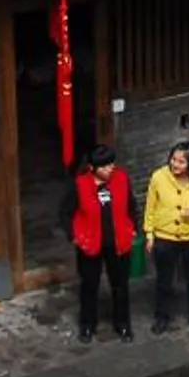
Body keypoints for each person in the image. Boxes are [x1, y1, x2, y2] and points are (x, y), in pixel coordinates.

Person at [143, 139, 189, 335]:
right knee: (164, 281)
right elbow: (150, 207)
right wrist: (150, 234)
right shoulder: (159, 177)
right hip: (164, 237)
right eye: (173, 160)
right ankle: (162, 316)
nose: (175, 165)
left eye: (181, 162)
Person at [70, 142, 137, 343]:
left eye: (111, 164)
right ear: (92, 168)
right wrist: (75, 236)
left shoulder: (122, 179)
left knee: (120, 285)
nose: (110, 169)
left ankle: (123, 324)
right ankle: (87, 325)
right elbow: (67, 213)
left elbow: (131, 206)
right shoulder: (80, 184)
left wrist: (132, 227)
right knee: (90, 285)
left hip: (118, 242)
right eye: (105, 166)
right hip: (90, 243)